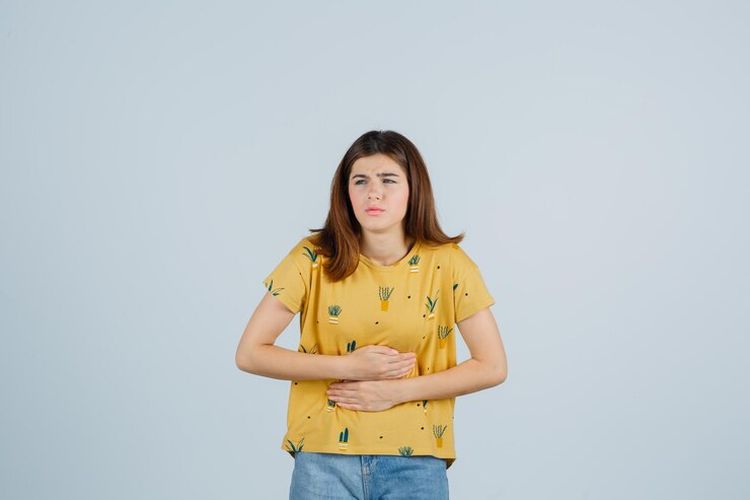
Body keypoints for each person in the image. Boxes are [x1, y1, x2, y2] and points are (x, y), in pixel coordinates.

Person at [235, 130, 507, 499]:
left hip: (416, 460)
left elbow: (492, 366)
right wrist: (349, 366)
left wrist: (394, 392)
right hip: (323, 457)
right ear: (345, 192)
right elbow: (250, 353)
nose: (373, 193)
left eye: (388, 180)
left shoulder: (449, 263)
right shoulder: (312, 257)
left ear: (414, 189)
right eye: (360, 181)